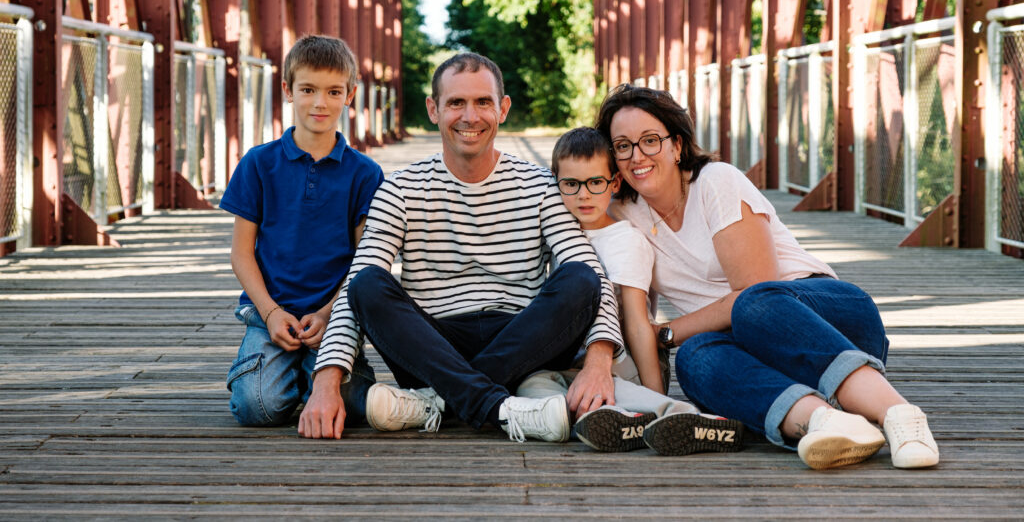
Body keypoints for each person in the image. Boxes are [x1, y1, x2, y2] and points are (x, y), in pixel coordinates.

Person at [595, 83, 940, 470]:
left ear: (677, 146)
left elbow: (753, 290)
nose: (636, 156)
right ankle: (831, 421)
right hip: (747, 350)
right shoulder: (621, 214)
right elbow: (569, 196)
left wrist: (669, 333)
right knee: (695, 361)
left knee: (753, 305)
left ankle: (901, 415)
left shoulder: (715, 181)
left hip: (823, 319)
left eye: (650, 141)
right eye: (622, 146)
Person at [298, 52, 623, 443]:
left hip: (524, 342)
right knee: (367, 283)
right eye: (456, 103)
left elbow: (592, 277)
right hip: (431, 347)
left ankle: (436, 403)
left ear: (502, 108)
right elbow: (358, 285)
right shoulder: (401, 189)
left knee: (579, 278)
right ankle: (501, 409)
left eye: (483, 102)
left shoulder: (538, 185)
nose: (470, 116)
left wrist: (599, 359)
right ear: (434, 109)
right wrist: (325, 382)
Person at [517, 127, 745, 455]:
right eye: (571, 184)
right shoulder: (554, 234)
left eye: (595, 183)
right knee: (532, 383)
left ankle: (673, 414)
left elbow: (638, 323)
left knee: (615, 382)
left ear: (614, 183)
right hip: (573, 362)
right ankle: (605, 418)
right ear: (556, 182)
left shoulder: (625, 241)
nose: (584, 195)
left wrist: (656, 390)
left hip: (628, 359)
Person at [221, 35, 383, 427]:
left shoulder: (365, 173)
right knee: (256, 407)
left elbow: (366, 260)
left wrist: (329, 312)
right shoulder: (259, 163)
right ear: (287, 90)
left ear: (350, 95)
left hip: (335, 314)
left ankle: (306, 373)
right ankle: (281, 370)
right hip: (269, 311)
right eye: (307, 89)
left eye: (333, 92)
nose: (319, 103)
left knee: (356, 406)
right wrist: (271, 312)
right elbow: (241, 252)